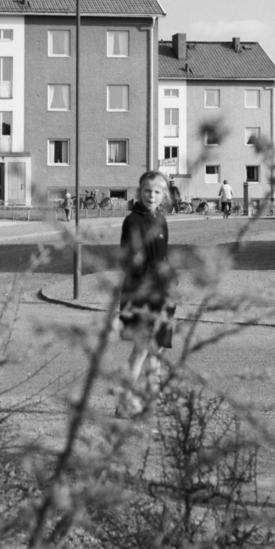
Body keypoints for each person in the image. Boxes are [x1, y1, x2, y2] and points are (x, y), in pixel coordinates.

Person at [118, 171, 176, 412]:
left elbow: (162, 256)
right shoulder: (133, 221)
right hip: (142, 293)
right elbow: (130, 260)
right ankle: (123, 403)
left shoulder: (160, 219)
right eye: (147, 191)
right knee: (141, 350)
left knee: (156, 350)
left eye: (157, 192)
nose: (151, 196)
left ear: (164, 195)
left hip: (164, 293)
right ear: (139, 192)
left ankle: (154, 399)